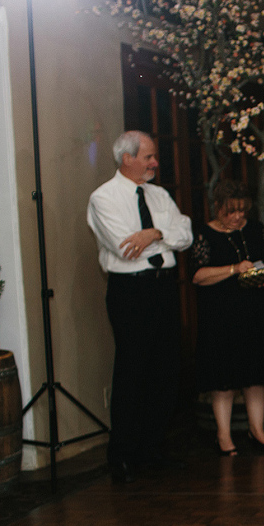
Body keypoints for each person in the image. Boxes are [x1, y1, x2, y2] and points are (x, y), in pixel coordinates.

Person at [87, 130, 193, 484]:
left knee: (165, 368)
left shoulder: (159, 194)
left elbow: (186, 234)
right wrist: (162, 236)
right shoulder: (104, 198)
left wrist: (153, 233)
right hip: (130, 292)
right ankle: (122, 455)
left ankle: (152, 449)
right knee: (133, 370)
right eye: (148, 157)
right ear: (126, 158)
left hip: (164, 289)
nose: (155, 163)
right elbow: (123, 247)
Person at [190, 180, 264, 456]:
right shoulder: (205, 234)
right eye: (231, 212)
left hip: (255, 313)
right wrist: (234, 269)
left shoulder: (256, 229)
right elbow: (198, 275)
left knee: (256, 376)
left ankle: (258, 430)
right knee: (225, 379)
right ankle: (224, 436)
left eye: (242, 211)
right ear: (218, 208)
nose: (237, 217)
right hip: (221, 316)